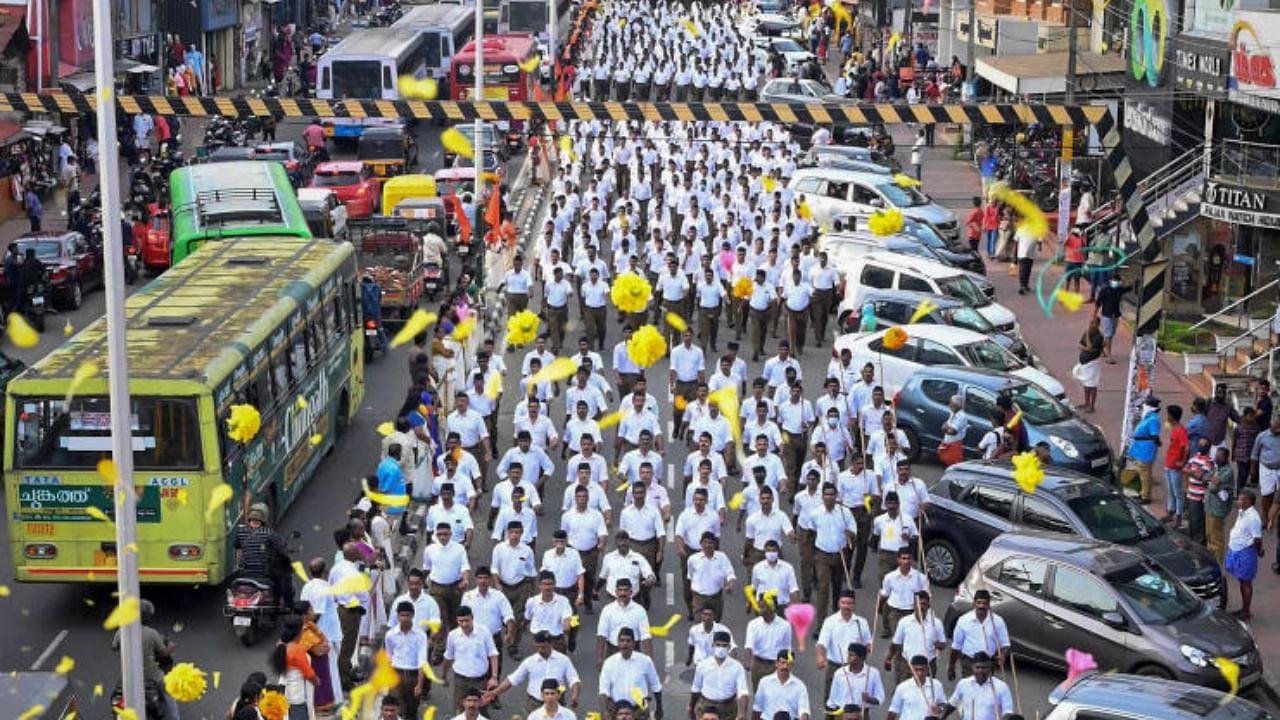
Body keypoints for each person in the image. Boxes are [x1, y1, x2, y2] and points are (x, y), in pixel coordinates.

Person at [113, 599, 179, 720]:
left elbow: (114, 647)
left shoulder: (120, 632)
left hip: (129, 677)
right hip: (152, 676)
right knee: (169, 695)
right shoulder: (151, 633)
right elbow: (163, 653)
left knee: (118, 699)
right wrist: (171, 647)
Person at [233, 502, 293, 609]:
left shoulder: (241, 532)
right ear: (263, 519)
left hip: (244, 571)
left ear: (249, 519)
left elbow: (236, 546)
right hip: (263, 572)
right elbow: (281, 546)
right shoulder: (268, 533)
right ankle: (286, 605)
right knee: (284, 577)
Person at [689, 630, 751, 720]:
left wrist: (742, 713)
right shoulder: (702, 665)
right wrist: (691, 706)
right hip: (706, 707)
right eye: (718, 645)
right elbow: (696, 689)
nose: (721, 648)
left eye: (724, 645)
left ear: (729, 647)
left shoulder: (737, 667)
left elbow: (743, 692)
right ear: (713, 645)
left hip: (728, 708)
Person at [385, 600, 430, 720]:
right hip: (397, 674)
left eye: (407, 615)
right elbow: (389, 656)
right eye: (402, 615)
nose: (405, 618)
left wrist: (420, 684)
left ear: (412, 616)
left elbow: (422, 661)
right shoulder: (390, 635)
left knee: (412, 711)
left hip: (413, 676)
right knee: (395, 710)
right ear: (398, 616)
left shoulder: (420, 635)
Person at [938, 652, 1014, 720]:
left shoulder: (1001, 687)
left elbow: (1008, 713)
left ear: (990, 668)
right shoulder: (963, 684)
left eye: (984, 667)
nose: (980, 671)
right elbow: (952, 705)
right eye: (977, 667)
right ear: (972, 667)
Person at [1226, 490, 1264, 620]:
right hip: (1237, 550)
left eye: (1242, 500)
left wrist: (1259, 551)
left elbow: (1257, 539)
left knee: (1246, 583)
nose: (1239, 501)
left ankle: (1246, 611)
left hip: (1246, 552)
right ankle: (1243, 609)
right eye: (1239, 499)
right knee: (1242, 581)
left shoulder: (1253, 518)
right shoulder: (1242, 512)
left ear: (1249, 502)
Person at [272, 615, 318, 720]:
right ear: (299, 631)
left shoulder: (281, 644)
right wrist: (317, 682)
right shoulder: (297, 650)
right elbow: (310, 675)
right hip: (298, 695)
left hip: (286, 690)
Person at [885, 655, 945, 720]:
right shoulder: (902, 687)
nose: (919, 673)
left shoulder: (936, 685)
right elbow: (893, 710)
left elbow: (943, 705)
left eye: (922, 669)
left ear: (927, 669)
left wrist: (939, 709)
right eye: (916, 670)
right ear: (911, 670)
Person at [1127, 397, 1163, 504]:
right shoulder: (1148, 417)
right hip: (1140, 448)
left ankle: (1145, 496)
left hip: (1145, 449)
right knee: (1141, 472)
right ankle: (1142, 493)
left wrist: (1157, 443)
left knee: (1145, 474)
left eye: (1145, 405)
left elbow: (1154, 436)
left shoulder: (1153, 419)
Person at [1094, 277, 1128, 362]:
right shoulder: (1104, 290)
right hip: (1106, 315)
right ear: (1110, 281)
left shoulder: (1120, 290)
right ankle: (1109, 355)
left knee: (1110, 334)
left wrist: (1124, 281)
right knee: (1108, 334)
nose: (1115, 282)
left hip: (1116, 315)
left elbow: (1130, 286)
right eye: (1114, 281)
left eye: (1117, 281)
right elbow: (1098, 303)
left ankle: (1101, 348)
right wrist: (1094, 314)